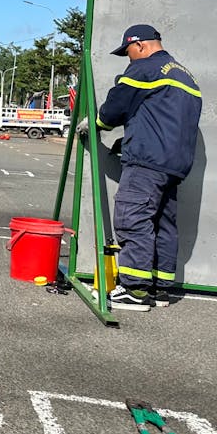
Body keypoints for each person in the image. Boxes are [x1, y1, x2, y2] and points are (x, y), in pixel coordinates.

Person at [79, 24, 202, 312]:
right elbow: (162, 120)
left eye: (128, 52)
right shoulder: (186, 76)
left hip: (147, 162)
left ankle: (134, 291)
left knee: (132, 218)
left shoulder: (144, 69)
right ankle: (160, 290)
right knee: (163, 223)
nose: (128, 58)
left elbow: (115, 108)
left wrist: (95, 124)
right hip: (175, 164)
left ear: (142, 45)